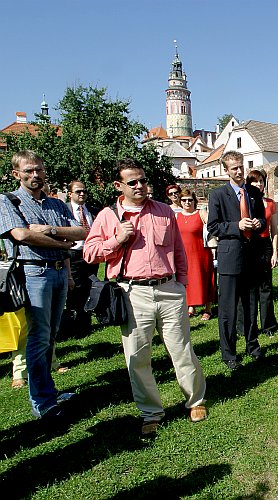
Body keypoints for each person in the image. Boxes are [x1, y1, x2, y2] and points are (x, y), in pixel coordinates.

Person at [84, 159, 207, 435]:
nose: (140, 186)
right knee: (138, 356)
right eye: (132, 182)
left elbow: (178, 252)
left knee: (181, 349)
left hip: (169, 289)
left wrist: (181, 285)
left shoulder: (164, 211)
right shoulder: (108, 216)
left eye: (142, 180)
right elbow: (89, 253)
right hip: (132, 292)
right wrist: (116, 240)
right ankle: (151, 411)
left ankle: (195, 400)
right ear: (119, 186)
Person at [0, 150, 86, 423]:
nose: (35, 175)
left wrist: (47, 229)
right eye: (28, 171)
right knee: (38, 338)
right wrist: (61, 242)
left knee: (50, 337)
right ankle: (43, 402)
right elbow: (21, 235)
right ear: (17, 174)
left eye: (38, 169)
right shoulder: (9, 201)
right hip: (33, 273)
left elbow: (82, 232)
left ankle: (49, 392)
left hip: (59, 272)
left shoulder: (56, 204)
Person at [207, 150, 267, 370]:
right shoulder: (218, 195)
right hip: (230, 258)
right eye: (234, 168)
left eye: (241, 167)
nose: (239, 171)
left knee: (251, 306)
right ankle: (229, 352)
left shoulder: (253, 192)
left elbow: (262, 218)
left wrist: (258, 223)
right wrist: (236, 226)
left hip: (252, 256)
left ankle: (252, 345)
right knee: (228, 309)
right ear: (226, 171)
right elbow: (213, 227)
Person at [63, 180, 100, 336]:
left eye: (84, 191)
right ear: (70, 194)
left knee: (90, 286)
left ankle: (86, 320)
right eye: (78, 191)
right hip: (72, 254)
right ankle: (74, 322)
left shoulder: (94, 211)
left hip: (90, 255)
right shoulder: (64, 210)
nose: (82, 194)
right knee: (74, 288)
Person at [246, 169, 278, 337]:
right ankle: (248, 326)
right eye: (254, 181)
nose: (258, 184)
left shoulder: (270, 203)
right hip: (249, 245)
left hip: (265, 244)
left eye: (261, 181)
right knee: (250, 289)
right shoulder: (244, 201)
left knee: (265, 287)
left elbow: (274, 230)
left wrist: (275, 252)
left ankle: (268, 326)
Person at [176, 188, 215, 321]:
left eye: (190, 200)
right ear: (180, 201)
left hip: (201, 252)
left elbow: (213, 226)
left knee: (205, 278)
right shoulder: (177, 216)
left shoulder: (201, 213)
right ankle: (190, 307)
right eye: (184, 200)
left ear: (194, 201)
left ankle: (208, 309)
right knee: (188, 280)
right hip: (184, 254)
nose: (187, 202)